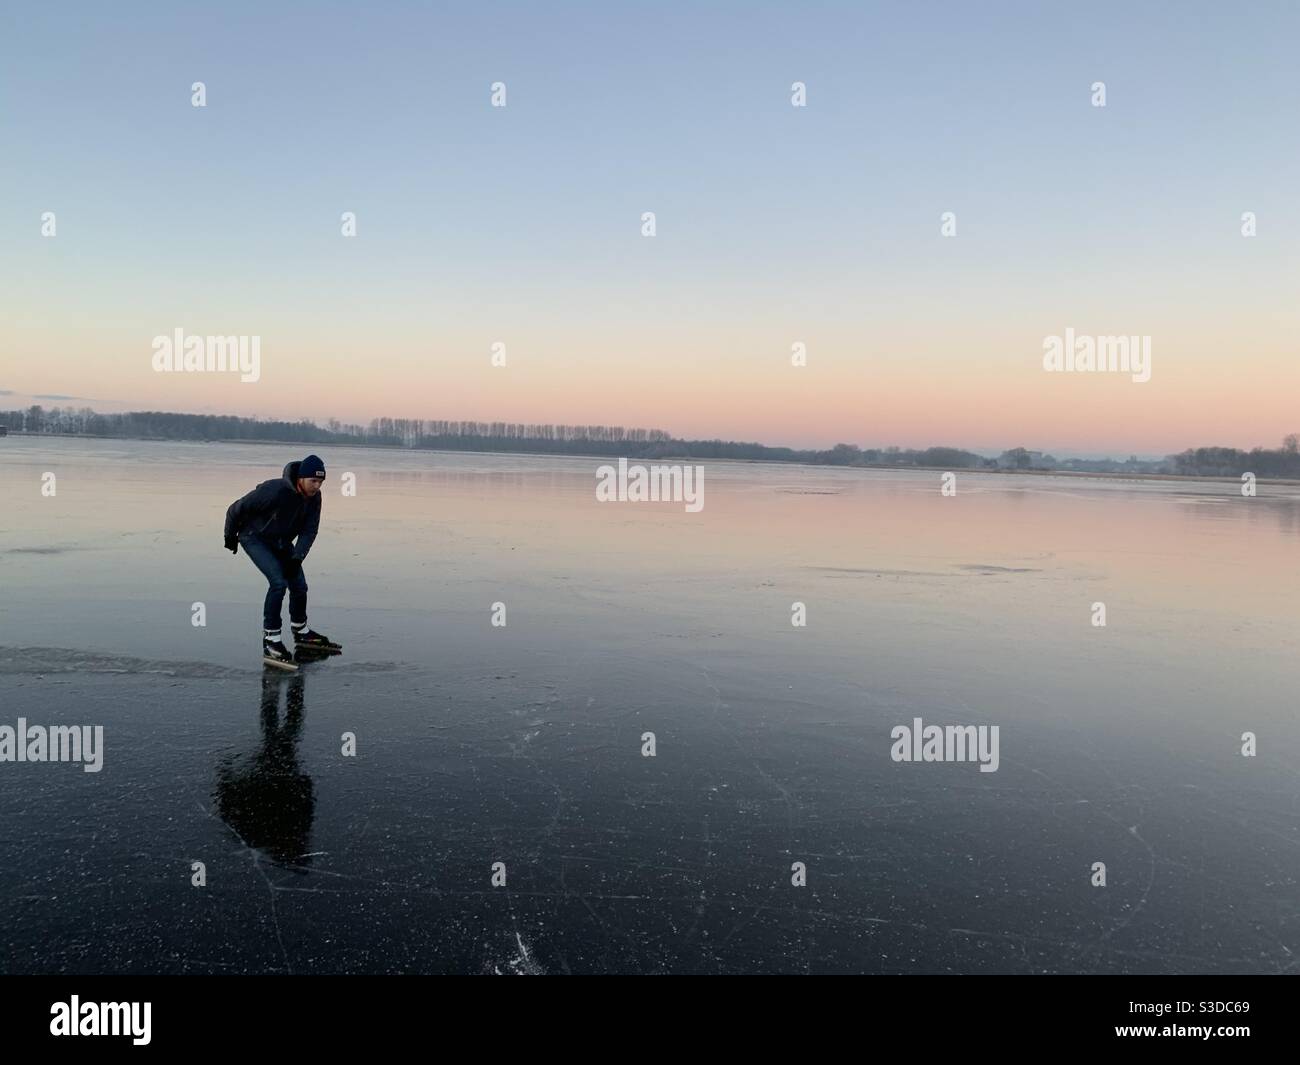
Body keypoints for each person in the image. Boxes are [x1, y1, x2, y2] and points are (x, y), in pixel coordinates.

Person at [224, 454, 339, 667]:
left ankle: (301, 632)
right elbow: (236, 508)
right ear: (301, 478)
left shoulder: (315, 498)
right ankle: (271, 640)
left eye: (321, 482)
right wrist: (230, 535)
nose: (317, 486)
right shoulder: (274, 490)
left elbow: (309, 530)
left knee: (299, 585)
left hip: (282, 542)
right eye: (313, 480)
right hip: (254, 537)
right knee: (278, 583)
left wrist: (297, 558)